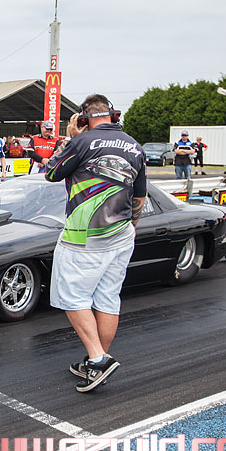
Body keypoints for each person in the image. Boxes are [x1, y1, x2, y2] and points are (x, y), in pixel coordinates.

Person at [44, 94, 146, 393]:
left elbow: (51, 172)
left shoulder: (81, 141)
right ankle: (95, 361)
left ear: (83, 118)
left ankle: (98, 358)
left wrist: (70, 137)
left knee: (72, 297)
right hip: (122, 233)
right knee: (108, 298)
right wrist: (130, 226)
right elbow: (139, 197)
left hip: (84, 236)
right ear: (112, 115)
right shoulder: (135, 146)